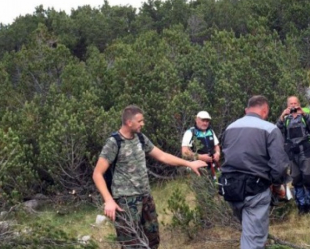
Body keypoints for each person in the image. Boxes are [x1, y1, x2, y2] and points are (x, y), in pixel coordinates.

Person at [92, 105, 207, 249]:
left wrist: (189, 164)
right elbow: (97, 174)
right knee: (130, 245)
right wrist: (108, 200)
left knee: (152, 241)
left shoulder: (140, 138)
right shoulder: (114, 142)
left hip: (145, 198)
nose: (143, 124)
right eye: (140, 121)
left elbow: (162, 156)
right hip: (126, 202)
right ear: (129, 122)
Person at [220, 95, 289, 249]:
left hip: (230, 188)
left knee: (249, 232)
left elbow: (227, 156)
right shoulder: (270, 129)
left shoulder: (230, 127)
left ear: (247, 110)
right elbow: (278, 165)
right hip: (255, 190)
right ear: (265, 111)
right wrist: (277, 187)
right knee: (254, 241)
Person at [277, 96, 310, 215]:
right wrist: (281, 117)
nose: (293, 105)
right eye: (291, 103)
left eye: (295, 103)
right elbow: (276, 130)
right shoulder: (286, 118)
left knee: (308, 177)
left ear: (299, 104)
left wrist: (304, 114)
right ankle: (301, 205)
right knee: (296, 179)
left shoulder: (305, 114)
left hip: (305, 149)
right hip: (291, 151)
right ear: (287, 105)